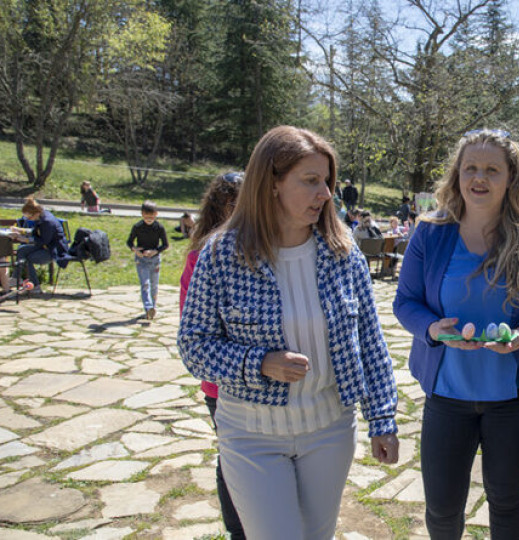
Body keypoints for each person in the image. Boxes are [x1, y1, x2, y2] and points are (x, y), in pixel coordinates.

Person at [178, 126, 399, 539]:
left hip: (329, 432)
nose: (326, 194)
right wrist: (258, 363)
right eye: (311, 181)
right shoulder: (222, 253)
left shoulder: (343, 251)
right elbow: (194, 345)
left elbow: (370, 341)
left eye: (328, 182)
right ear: (273, 182)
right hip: (250, 434)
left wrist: (382, 417)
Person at [393, 128, 519, 539]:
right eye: (470, 168)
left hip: (515, 398)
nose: (480, 178)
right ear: (456, 175)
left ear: (511, 177)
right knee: (441, 508)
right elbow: (405, 302)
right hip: (447, 394)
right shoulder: (431, 231)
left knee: (506, 500)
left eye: (492, 169)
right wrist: (431, 328)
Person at [178, 171, 245, 540]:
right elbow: (193, 331)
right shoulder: (202, 257)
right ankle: (238, 530)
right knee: (232, 458)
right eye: (236, 205)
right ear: (219, 209)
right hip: (222, 386)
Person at [13, 197, 68, 294]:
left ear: (36, 213)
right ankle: (16, 278)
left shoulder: (47, 222)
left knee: (27, 257)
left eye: (29, 218)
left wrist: (24, 239)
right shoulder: (41, 217)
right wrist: (20, 231)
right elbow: (35, 233)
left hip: (52, 251)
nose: (29, 220)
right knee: (21, 249)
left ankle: (25, 282)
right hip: (44, 247)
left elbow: (43, 241)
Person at [126, 201, 169, 319]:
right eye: (146, 216)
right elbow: (129, 242)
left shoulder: (159, 227)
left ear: (156, 214)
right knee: (145, 284)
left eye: (151, 216)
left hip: (155, 260)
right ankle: (148, 307)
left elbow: (165, 244)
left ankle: (152, 308)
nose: (149, 219)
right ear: (142, 214)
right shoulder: (137, 227)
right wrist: (135, 250)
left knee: (154, 285)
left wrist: (155, 251)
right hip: (142, 260)